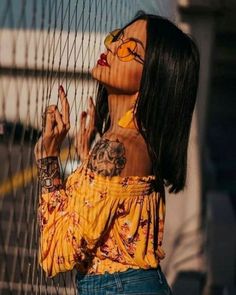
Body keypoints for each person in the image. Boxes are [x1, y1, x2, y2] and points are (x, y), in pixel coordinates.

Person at [34, 12, 200, 295]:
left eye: (128, 49)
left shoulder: (118, 145)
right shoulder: (138, 140)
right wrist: (89, 166)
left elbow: (58, 251)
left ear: (152, 77)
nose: (110, 47)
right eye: (116, 38)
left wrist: (48, 160)